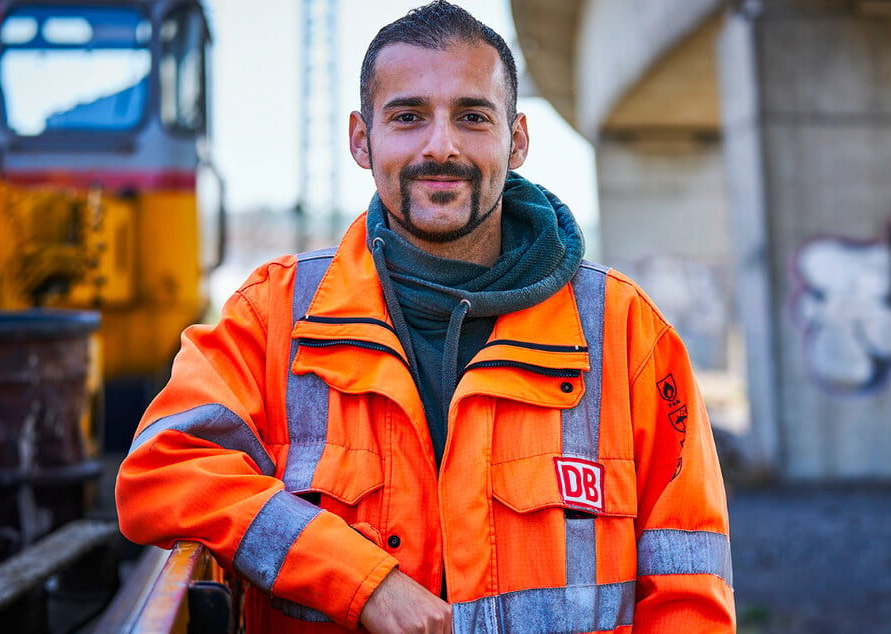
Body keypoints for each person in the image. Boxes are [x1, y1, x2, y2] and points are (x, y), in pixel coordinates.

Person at [115, 2, 736, 632]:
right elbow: (163, 468)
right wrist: (363, 583)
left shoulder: (626, 333)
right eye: (408, 117)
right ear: (362, 139)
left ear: (516, 139)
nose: (441, 145)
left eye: (472, 117)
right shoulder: (273, 317)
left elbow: (690, 589)